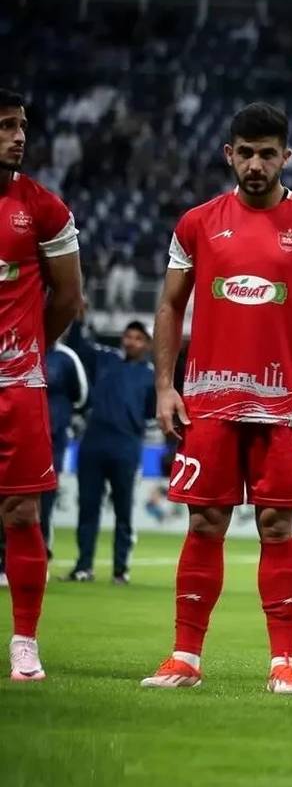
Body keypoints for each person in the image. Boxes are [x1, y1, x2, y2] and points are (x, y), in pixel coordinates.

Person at [138, 102, 292, 695]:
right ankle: (185, 657)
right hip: (208, 401)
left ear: (286, 156)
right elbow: (169, 305)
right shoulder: (197, 223)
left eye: (267, 154)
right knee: (205, 521)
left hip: (285, 405)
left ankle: (284, 663)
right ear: (228, 154)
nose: (256, 164)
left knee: (278, 526)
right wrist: (165, 386)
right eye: (245, 153)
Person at [0, 88, 85, 681]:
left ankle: (24, 642)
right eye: (6, 126)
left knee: (21, 509)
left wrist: (29, 349)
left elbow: (69, 298)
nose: (19, 137)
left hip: (16, 384)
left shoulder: (44, 209)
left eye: (21, 125)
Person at [62, 316, 155, 584]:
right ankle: (83, 567)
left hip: (126, 446)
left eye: (138, 338)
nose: (131, 341)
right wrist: (78, 319)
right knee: (88, 508)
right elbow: (78, 347)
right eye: (128, 336)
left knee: (124, 511)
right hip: (94, 443)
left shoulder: (151, 375)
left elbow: (151, 410)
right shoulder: (106, 359)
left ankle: (120, 570)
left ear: (147, 345)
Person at [0, 339, 86, 583]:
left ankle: (41, 558)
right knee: (7, 498)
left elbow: (81, 397)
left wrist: (58, 418)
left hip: (51, 441)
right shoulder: (12, 348)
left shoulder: (66, 358)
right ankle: (5, 560)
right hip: (13, 434)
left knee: (41, 501)